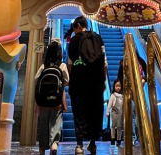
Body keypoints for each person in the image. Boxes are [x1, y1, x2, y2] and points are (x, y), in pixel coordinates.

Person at [67, 16, 107, 155]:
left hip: (79, 82)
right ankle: (93, 143)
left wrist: (71, 80)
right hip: (96, 83)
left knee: (79, 111)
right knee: (94, 111)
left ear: (78, 26)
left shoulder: (74, 40)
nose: (74, 31)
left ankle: (79, 144)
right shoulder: (98, 38)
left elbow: (70, 64)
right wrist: (103, 80)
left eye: (74, 28)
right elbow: (104, 62)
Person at [35, 40, 69, 155]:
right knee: (56, 121)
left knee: (43, 122)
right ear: (59, 53)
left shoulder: (43, 66)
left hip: (43, 100)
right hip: (57, 99)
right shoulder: (62, 66)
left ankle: (42, 148)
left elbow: (36, 79)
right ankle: (54, 143)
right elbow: (67, 81)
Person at [106, 80, 124, 147]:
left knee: (120, 127)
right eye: (117, 86)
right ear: (114, 86)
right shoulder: (113, 95)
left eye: (119, 86)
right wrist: (107, 112)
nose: (118, 87)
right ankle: (113, 138)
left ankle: (119, 140)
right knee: (113, 126)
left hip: (121, 113)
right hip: (114, 113)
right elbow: (109, 105)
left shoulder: (122, 96)